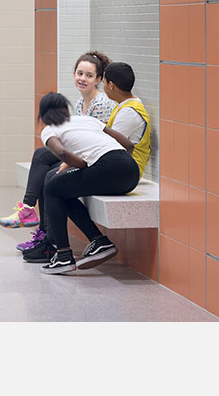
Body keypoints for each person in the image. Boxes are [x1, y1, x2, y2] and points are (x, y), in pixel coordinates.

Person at [0, 51, 113, 246]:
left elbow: (95, 142)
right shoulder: (80, 103)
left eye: (89, 75)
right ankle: (30, 212)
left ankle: (47, 239)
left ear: (99, 79)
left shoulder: (101, 103)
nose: (82, 79)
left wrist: (67, 163)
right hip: (83, 154)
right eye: (79, 73)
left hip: (96, 159)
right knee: (41, 155)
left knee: (50, 176)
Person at [24, 92, 139, 274]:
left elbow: (61, 153)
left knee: (51, 189)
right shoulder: (87, 121)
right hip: (131, 172)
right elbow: (128, 144)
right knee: (63, 191)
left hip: (106, 167)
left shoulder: (50, 129)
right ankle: (99, 242)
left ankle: (63, 255)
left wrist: (81, 164)